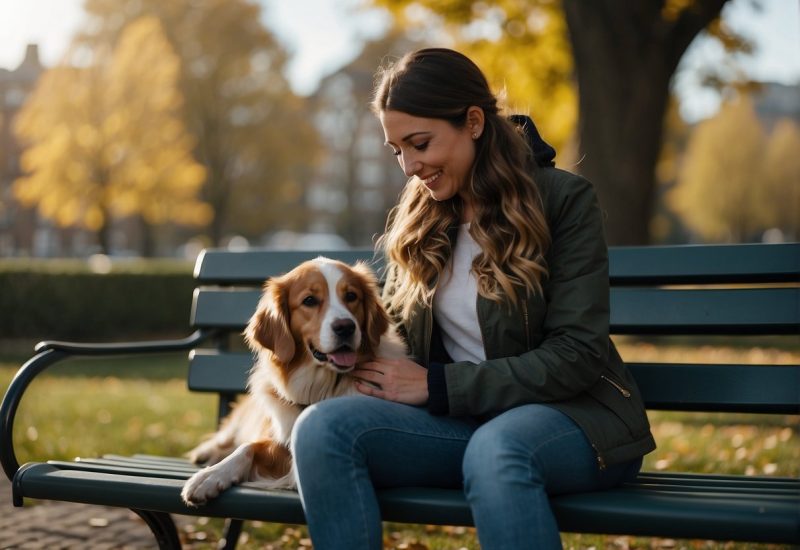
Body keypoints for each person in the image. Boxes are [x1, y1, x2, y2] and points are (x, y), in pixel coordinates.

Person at [290, 47, 656, 549]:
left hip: (574, 421)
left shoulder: (564, 201)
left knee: (498, 448)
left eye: (420, 143)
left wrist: (440, 386)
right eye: (397, 150)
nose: (410, 166)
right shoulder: (422, 217)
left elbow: (578, 354)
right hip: (461, 427)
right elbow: (392, 335)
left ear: (475, 122)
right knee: (321, 431)